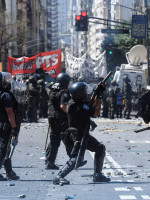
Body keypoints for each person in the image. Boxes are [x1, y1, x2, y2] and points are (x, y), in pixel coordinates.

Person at [53, 82, 111, 185]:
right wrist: (99, 99)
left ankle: (97, 174)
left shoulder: (74, 102)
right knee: (76, 158)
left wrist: (98, 92)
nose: (86, 94)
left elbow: (89, 103)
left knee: (100, 148)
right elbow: (95, 111)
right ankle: (59, 176)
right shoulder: (78, 107)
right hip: (78, 136)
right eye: (84, 92)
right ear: (80, 94)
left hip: (83, 134)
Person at [45, 73, 74, 170]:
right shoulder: (64, 92)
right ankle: (74, 159)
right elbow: (63, 106)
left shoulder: (53, 91)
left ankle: (49, 162)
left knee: (54, 141)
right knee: (68, 139)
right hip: (61, 119)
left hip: (52, 118)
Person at [0, 72, 20, 181]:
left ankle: (9, 171)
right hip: (4, 125)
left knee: (5, 149)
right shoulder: (6, 95)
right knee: (3, 148)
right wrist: (14, 129)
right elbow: (10, 113)